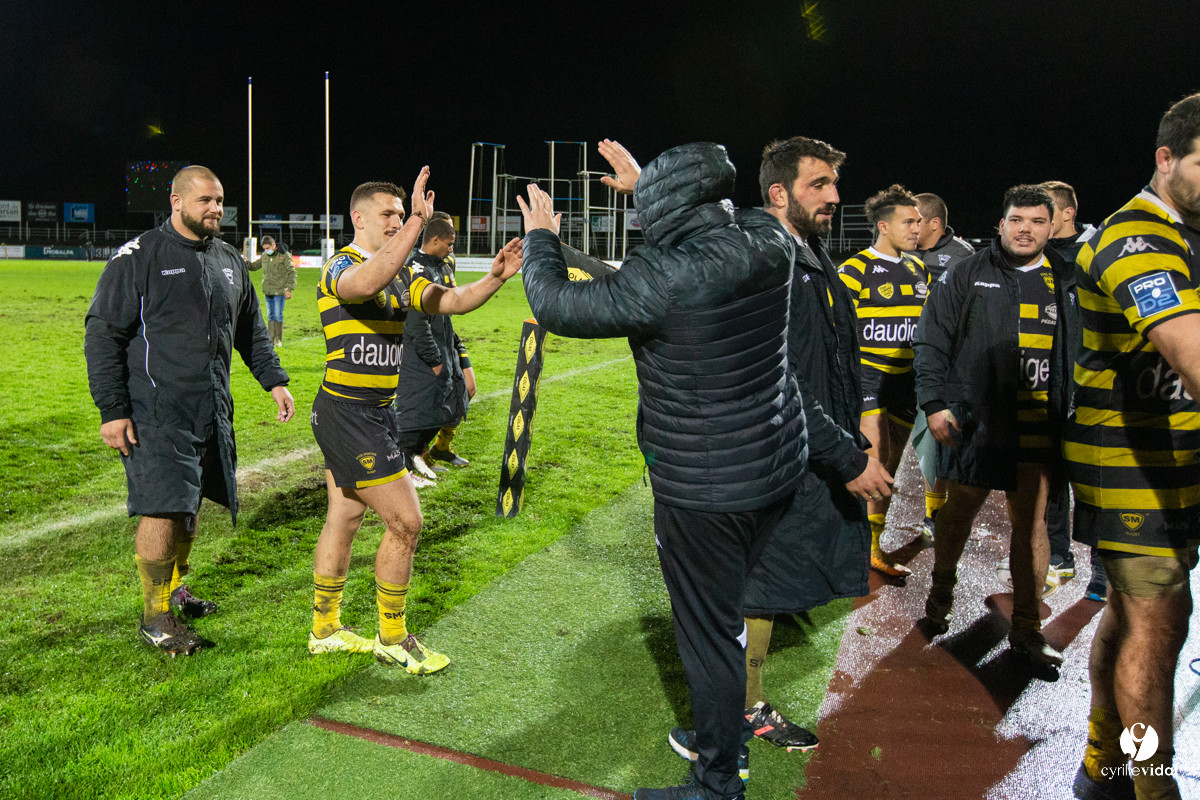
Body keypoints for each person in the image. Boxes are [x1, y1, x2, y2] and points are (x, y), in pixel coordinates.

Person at [519, 139, 807, 800]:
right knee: (730, 619)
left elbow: (556, 305)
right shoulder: (769, 238)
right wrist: (652, 186)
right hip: (774, 464)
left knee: (710, 640)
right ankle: (723, 753)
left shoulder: (664, 276)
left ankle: (715, 783)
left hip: (707, 487)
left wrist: (541, 237)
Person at [665, 137, 894, 771]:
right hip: (772, 449)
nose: (834, 197)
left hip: (799, 443)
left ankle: (737, 712)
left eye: (832, 184)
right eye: (819, 184)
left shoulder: (804, 251)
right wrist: (847, 457)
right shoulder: (770, 261)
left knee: (763, 585)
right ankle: (728, 724)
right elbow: (782, 377)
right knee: (754, 585)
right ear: (778, 192)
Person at [307, 169, 522, 675]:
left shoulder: (404, 271)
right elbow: (365, 284)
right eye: (388, 214)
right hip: (348, 412)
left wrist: (493, 278)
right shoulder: (341, 263)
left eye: (402, 216)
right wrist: (416, 227)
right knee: (406, 521)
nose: (398, 222)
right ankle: (393, 636)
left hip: (374, 412)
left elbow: (450, 302)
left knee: (345, 516)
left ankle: (325, 628)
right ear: (357, 218)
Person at [85, 165, 295, 656]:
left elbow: (251, 333)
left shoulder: (228, 259)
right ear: (177, 202)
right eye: (205, 200)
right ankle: (155, 616)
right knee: (163, 508)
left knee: (190, 507)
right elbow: (102, 334)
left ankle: (175, 588)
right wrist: (112, 409)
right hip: (155, 409)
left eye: (220, 200)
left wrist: (275, 381)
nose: (216, 209)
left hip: (211, 409)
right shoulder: (139, 257)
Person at [1064, 92, 1200, 800]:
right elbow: (1191, 354)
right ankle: (1152, 786)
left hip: (1175, 463)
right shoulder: (1135, 238)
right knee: (1158, 623)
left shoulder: (1189, 234)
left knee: (1129, 612)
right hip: (1127, 465)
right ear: (1166, 158)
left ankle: (1100, 764)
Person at [914, 184, 1079, 670]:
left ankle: (1027, 629)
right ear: (1000, 224)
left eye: (1036, 221)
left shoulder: (1068, 279)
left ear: (1052, 227)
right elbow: (931, 340)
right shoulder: (967, 273)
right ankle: (941, 590)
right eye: (1016, 220)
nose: (1025, 229)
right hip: (979, 424)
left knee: (1031, 526)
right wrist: (934, 402)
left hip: (1040, 427)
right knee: (959, 512)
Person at [838, 185, 928, 576]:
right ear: (883, 226)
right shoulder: (854, 270)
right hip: (868, 379)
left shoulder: (918, 269)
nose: (916, 228)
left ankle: (874, 545)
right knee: (872, 463)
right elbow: (835, 331)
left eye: (919, 221)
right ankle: (856, 545)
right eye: (908, 221)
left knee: (889, 465)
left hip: (905, 381)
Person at [1036, 180, 1108, 601]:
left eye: (1044, 215)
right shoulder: (1037, 256)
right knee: (1051, 472)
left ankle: (1102, 566)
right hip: (1050, 381)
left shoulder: (1097, 251)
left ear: (1065, 215)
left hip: (1094, 383)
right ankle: (1060, 555)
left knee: (1095, 478)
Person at [910, 192, 975, 542]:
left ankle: (936, 512)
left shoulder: (963, 258)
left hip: (943, 362)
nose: (911, 225)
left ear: (934, 223)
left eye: (916, 219)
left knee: (938, 439)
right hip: (900, 361)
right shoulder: (903, 253)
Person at [394, 216, 470, 488]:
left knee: (446, 403)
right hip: (424, 356)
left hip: (444, 344)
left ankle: (422, 457)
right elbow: (416, 321)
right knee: (419, 411)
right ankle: (403, 467)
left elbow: (445, 311)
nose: (452, 249)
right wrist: (435, 360)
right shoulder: (416, 269)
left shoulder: (441, 266)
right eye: (449, 243)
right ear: (435, 239)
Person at [246, 234, 296, 347]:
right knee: (270, 315)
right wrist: (245, 262)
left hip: (279, 291)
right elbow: (254, 267)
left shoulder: (284, 256)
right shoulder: (264, 256)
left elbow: (292, 273)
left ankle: (278, 340)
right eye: (264, 248)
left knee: (278, 315)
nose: (266, 250)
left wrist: (289, 289)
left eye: (267, 248)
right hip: (268, 291)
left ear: (273, 245)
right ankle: (271, 339)